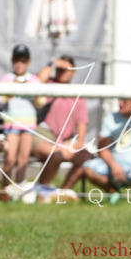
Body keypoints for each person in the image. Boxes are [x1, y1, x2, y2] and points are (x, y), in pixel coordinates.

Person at [33, 55, 92, 200]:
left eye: (67, 69)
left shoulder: (77, 93)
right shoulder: (48, 86)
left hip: (66, 140)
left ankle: (63, 192)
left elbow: (82, 120)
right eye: (60, 69)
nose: (63, 72)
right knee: (57, 153)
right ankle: (42, 189)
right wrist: (51, 63)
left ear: (74, 72)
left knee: (85, 157)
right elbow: (37, 81)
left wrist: (79, 143)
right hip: (42, 135)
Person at [0, 44, 45, 193]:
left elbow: (41, 102)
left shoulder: (34, 80)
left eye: (23, 61)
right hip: (11, 125)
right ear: (12, 61)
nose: (19, 64)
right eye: (17, 60)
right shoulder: (6, 79)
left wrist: (33, 90)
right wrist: (11, 88)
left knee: (23, 159)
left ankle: (19, 190)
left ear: (28, 62)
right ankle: (5, 190)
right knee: (10, 159)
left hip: (29, 125)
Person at [82, 97, 131, 195]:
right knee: (88, 169)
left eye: (124, 101)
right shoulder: (111, 119)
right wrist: (113, 165)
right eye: (119, 100)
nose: (120, 104)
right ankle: (113, 193)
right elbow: (103, 149)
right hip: (114, 164)